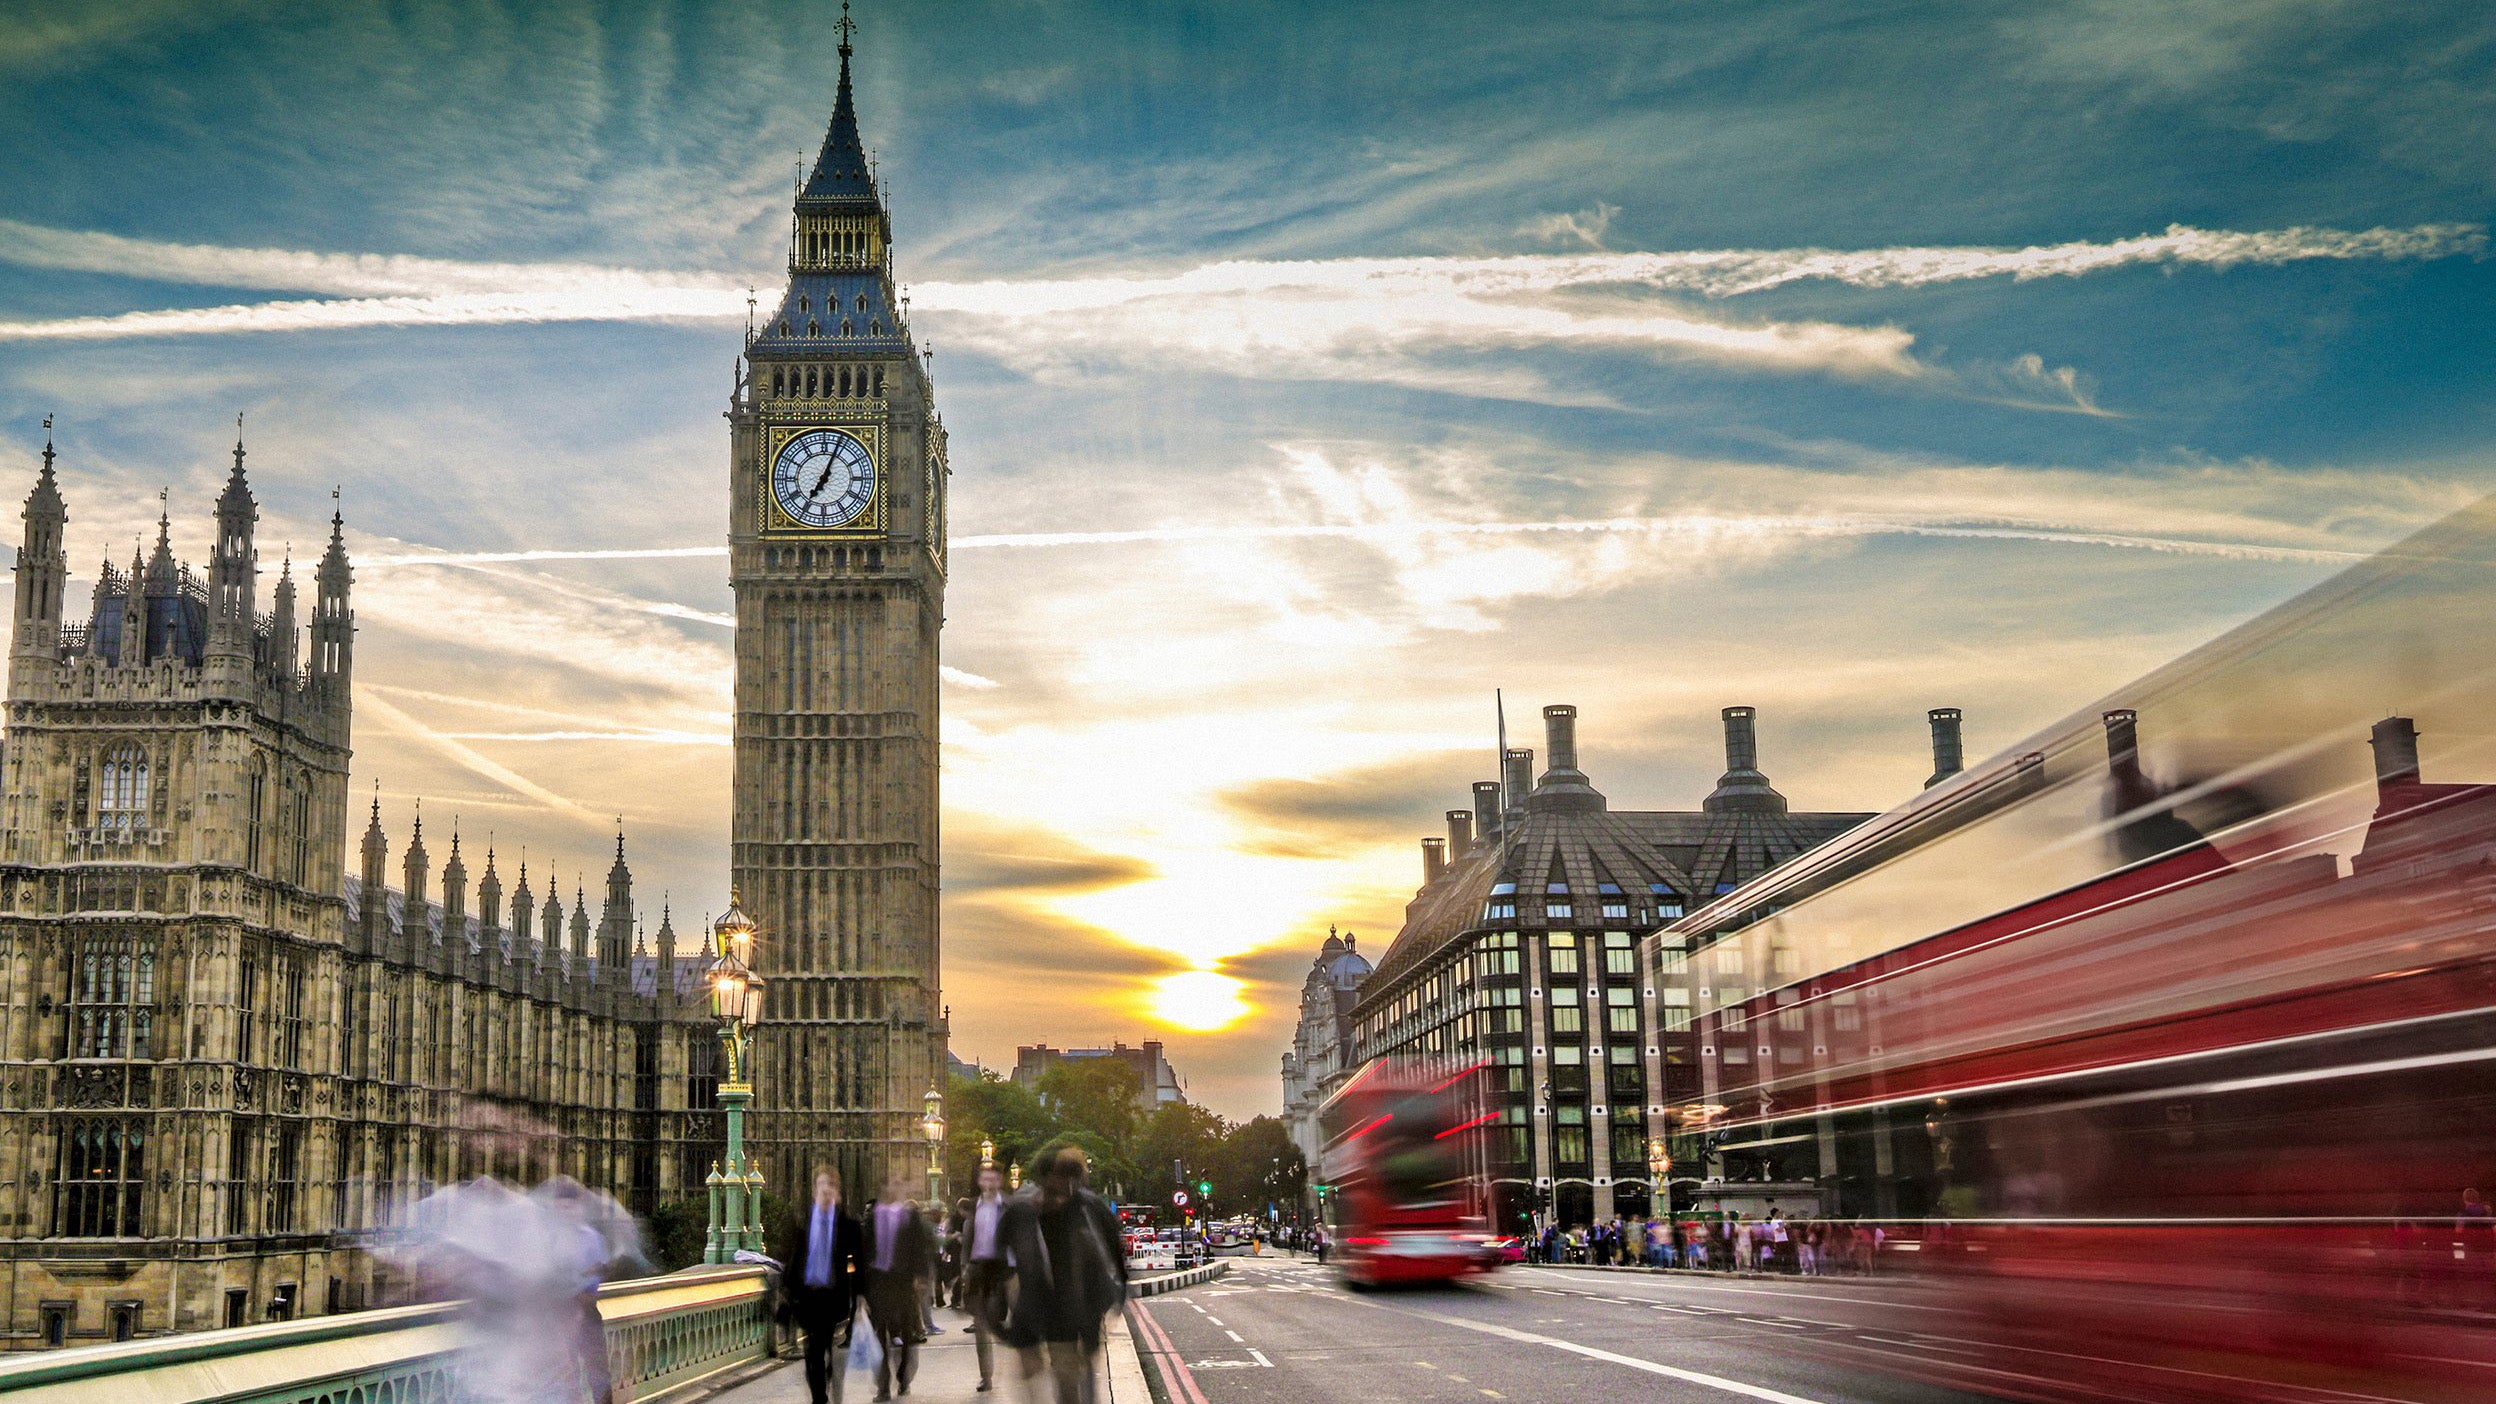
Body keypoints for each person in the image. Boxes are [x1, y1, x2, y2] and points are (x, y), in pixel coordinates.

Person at [999, 1146, 1129, 1404]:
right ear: (1043, 1182)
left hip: (1078, 1310)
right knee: (1039, 1380)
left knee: (1070, 1378)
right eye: (1056, 1186)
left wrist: (1117, 1296)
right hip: (1039, 1308)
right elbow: (998, 1259)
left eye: (1069, 1184)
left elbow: (1114, 1251)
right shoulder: (1022, 1213)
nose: (1061, 1195)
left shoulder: (1087, 1208)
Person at [776, 1165, 865, 1404]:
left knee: (822, 1346)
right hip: (806, 1296)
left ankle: (823, 1384)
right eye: (822, 1184)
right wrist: (785, 1289)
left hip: (832, 1296)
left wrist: (860, 1297)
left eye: (831, 1185)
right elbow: (788, 1256)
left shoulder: (848, 1224)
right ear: (814, 1190)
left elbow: (859, 1263)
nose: (827, 1190)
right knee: (814, 1350)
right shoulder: (801, 1219)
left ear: (838, 1191)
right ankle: (820, 1395)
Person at [862, 1176, 936, 1400]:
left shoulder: (911, 1216)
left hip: (904, 1280)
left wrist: (921, 1277)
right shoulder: (874, 1216)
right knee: (880, 1332)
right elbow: (865, 1250)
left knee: (906, 1330)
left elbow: (919, 1248)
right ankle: (883, 1385)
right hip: (880, 1280)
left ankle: (904, 1374)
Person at [963, 1165, 1010, 1393]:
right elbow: (967, 1239)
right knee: (982, 1325)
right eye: (984, 1178)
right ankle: (986, 1376)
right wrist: (965, 1267)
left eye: (993, 1178)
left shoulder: (1008, 1206)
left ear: (999, 1181)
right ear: (980, 1181)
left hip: (1004, 1270)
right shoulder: (974, 1207)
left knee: (1005, 1320)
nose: (989, 1182)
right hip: (980, 1269)